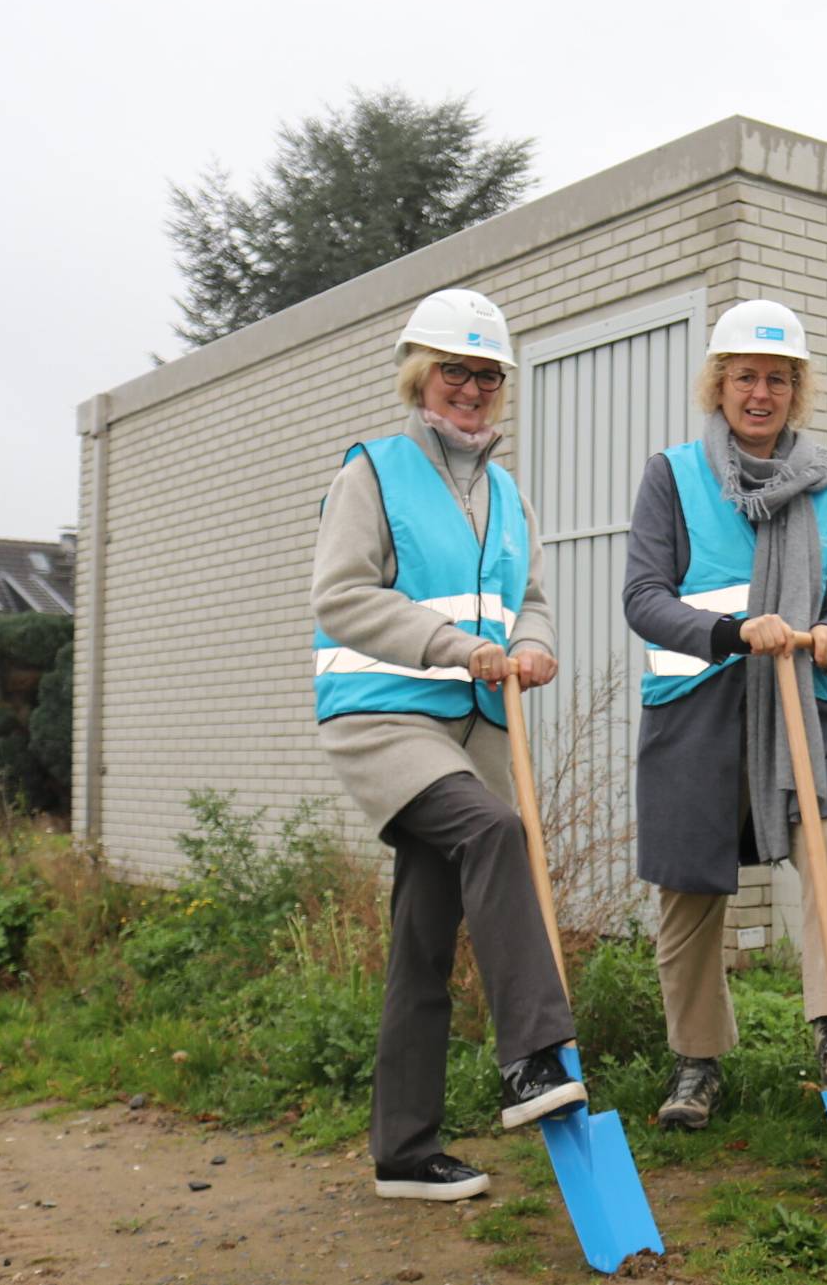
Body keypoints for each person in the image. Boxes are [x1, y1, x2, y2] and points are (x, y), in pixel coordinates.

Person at [313, 288, 587, 1202]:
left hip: (476, 728)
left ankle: (404, 1149)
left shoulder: (508, 493)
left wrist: (535, 641)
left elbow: (530, 596)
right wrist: (452, 646)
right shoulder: (374, 472)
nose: (470, 388)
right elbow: (342, 596)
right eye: (454, 370)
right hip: (387, 716)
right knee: (492, 830)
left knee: (423, 935)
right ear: (419, 375)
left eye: (486, 374)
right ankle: (535, 1059)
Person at [623, 298, 827, 1131]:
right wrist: (729, 631)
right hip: (696, 706)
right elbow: (643, 596)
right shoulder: (672, 474)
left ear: (798, 389)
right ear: (718, 384)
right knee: (688, 892)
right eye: (746, 375)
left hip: (796, 709)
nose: (761, 392)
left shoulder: (825, 487)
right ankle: (697, 1061)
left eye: (778, 378)